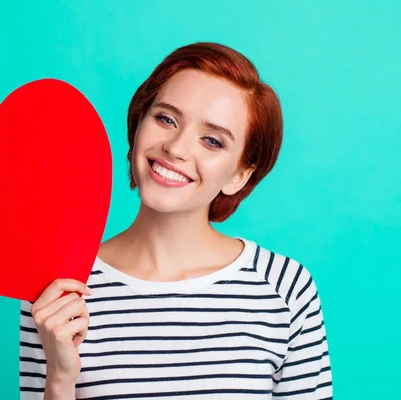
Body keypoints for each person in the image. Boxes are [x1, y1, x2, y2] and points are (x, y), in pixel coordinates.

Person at [18, 42, 332, 399]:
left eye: (212, 141)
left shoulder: (284, 289)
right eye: (166, 119)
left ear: (239, 176)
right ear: (138, 124)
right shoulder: (57, 289)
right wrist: (59, 379)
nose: (177, 148)